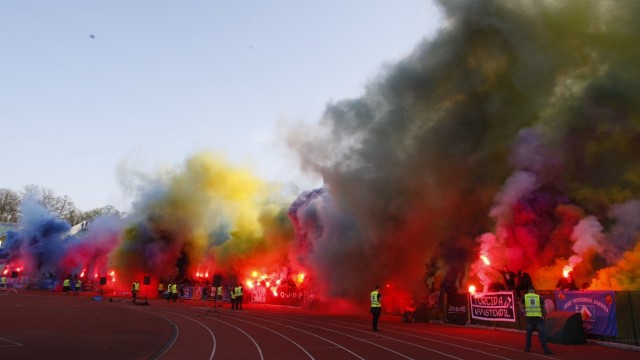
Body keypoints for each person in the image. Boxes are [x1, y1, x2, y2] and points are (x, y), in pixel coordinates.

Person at [523, 288, 553, 355]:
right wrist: (544, 317)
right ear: (534, 291)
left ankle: (527, 348)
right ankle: (545, 349)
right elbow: (543, 309)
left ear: (528, 291)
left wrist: (524, 312)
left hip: (530, 318)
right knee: (542, 334)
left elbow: (521, 305)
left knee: (528, 334)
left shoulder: (525, 297)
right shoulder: (539, 297)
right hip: (538, 318)